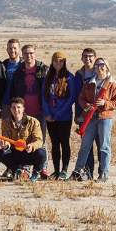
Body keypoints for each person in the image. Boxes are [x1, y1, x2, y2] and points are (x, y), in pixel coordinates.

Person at [71, 58, 116, 183]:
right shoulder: (90, 82)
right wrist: (86, 105)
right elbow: (80, 98)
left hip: (104, 118)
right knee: (85, 145)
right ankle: (77, 171)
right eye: (97, 65)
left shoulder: (112, 83)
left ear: (107, 67)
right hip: (90, 118)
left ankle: (103, 174)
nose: (99, 67)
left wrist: (105, 103)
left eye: (102, 64)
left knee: (104, 146)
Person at [9, 44, 48, 178]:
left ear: (35, 54)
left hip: (40, 111)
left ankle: (42, 167)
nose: (28, 56)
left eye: (31, 53)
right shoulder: (18, 72)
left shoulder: (43, 70)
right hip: (23, 113)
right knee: (23, 138)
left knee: (40, 140)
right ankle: (24, 168)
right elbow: (13, 91)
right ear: (22, 55)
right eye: (25, 53)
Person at [42, 51, 76, 180]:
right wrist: (47, 113)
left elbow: (71, 98)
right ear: (52, 62)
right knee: (54, 143)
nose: (58, 63)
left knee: (64, 142)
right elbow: (43, 96)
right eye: (56, 60)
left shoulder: (69, 78)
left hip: (64, 117)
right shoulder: (48, 77)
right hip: (50, 117)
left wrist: (58, 113)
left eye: (61, 60)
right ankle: (56, 170)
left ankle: (64, 170)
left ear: (65, 62)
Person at [0, 97, 46, 181]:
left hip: (28, 152)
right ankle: (17, 170)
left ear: (23, 109)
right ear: (10, 109)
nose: (16, 110)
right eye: (13, 107)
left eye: (19, 107)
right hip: (15, 153)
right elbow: (6, 138)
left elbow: (39, 140)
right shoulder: (5, 122)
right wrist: (6, 145)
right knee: (1, 153)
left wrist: (32, 146)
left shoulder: (33, 121)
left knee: (42, 153)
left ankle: (35, 173)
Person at [74, 48, 100, 179]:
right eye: (85, 56)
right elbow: (76, 95)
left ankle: (102, 173)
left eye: (90, 56)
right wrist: (78, 115)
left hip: (99, 115)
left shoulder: (100, 73)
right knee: (87, 146)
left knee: (101, 145)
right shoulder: (78, 74)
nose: (88, 59)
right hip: (83, 115)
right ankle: (88, 173)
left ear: (95, 58)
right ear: (82, 58)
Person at [1, 39, 22, 113]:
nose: (12, 50)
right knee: (6, 124)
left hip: (20, 105)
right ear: (7, 50)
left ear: (19, 49)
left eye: (15, 48)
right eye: (10, 48)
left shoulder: (25, 65)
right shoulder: (2, 65)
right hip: (6, 105)